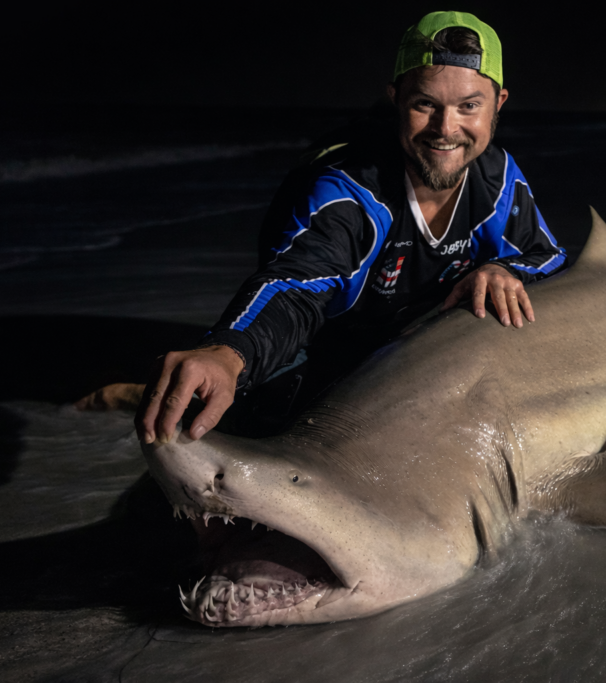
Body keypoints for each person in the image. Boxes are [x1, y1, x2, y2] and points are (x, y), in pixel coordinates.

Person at [136, 11, 567, 444]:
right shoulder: (352, 188)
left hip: (416, 346)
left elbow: (547, 257)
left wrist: (507, 270)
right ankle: (132, 393)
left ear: (499, 104)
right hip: (329, 346)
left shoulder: (497, 176)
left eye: (468, 106)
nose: (446, 129)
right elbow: (296, 286)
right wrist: (229, 353)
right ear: (396, 98)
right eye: (425, 104)